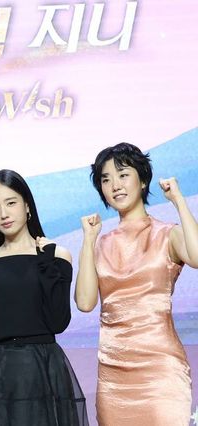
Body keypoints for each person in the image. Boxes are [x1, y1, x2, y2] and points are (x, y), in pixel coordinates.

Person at [75, 143, 197, 426]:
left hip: (160, 370)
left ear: (142, 180)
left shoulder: (167, 234)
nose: (115, 185)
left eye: (123, 175)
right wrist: (88, 241)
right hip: (113, 377)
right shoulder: (100, 244)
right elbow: (84, 302)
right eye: (106, 179)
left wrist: (179, 201)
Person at [0, 169, 88, 426]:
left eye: (11, 203)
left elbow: (58, 322)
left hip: (45, 368)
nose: (3, 214)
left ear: (27, 206)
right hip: (0, 371)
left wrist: (47, 264)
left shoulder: (56, 255)